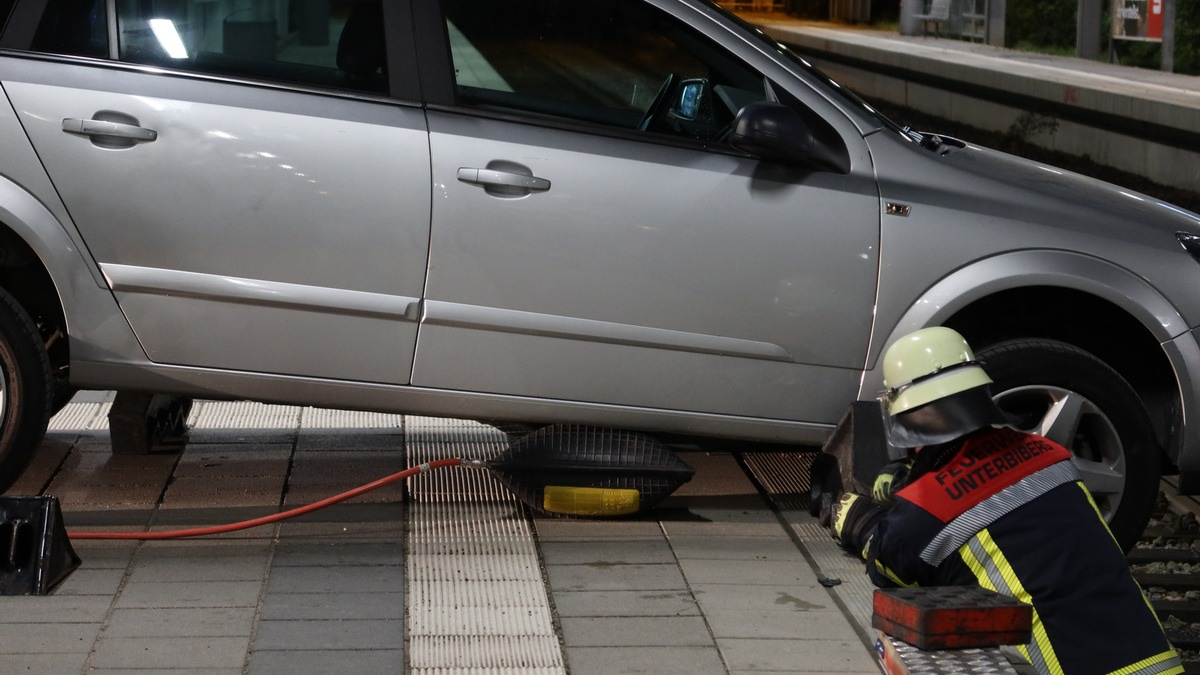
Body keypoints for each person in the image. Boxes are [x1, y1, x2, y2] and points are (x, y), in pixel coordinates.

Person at [826, 327, 1182, 675]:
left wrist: (860, 522)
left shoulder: (926, 506)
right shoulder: (1051, 455)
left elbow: (887, 569)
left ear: (904, 419)